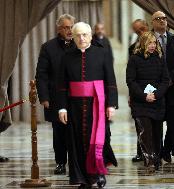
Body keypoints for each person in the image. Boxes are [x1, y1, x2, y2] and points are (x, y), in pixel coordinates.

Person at [58, 22, 118, 189]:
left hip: (97, 104)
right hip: (74, 106)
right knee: (77, 142)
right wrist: (62, 107)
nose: (81, 38)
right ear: (73, 37)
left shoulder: (102, 53)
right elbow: (62, 85)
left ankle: (99, 173)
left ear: (90, 36)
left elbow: (110, 81)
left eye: (84, 34)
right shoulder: (67, 56)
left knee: (100, 140)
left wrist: (111, 104)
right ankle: (83, 178)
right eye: (78, 35)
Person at [35, 14, 76, 175]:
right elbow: (42, 74)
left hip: (76, 97)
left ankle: (75, 162)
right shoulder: (48, 47)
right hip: (56, 98)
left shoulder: (79, 44)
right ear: (59, 29)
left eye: (72, 26)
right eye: (66, 27)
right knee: (59, 132)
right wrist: (44, 97)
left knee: (75, 131)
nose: (70, 30)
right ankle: (60, 162)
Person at [126, 31, 169, 172]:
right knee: (145, 132)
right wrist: (144, 96)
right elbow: (131, 81)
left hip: (157, 101)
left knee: (157, 133)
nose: (152, 46)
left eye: (154, 43)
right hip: (140, 102)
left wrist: (156, 94)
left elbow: (165, 80)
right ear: (143, 43)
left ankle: (156, 158)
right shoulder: (134, 59)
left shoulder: (160, 58)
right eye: (149, 43)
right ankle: (149, 160)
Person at [152, 11, 174, 167]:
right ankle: (156, 154)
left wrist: (171, 79)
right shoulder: (147, 40)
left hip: (173, 88)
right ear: (152, 22)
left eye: (164, 18)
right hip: (155, 88)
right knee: (156, 124)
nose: (162, 21)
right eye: (158, 19)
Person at [128, 19, 149, 163]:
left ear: (147, 26)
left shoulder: (157, 44)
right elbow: (130, 74)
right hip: (138, 90)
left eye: (142, 29)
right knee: (139, 122)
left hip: (156, 90)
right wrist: (131, 94)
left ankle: (155, 152)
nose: (140, 33)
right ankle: (140, 151)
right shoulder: (132, 48)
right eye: (137, 31)